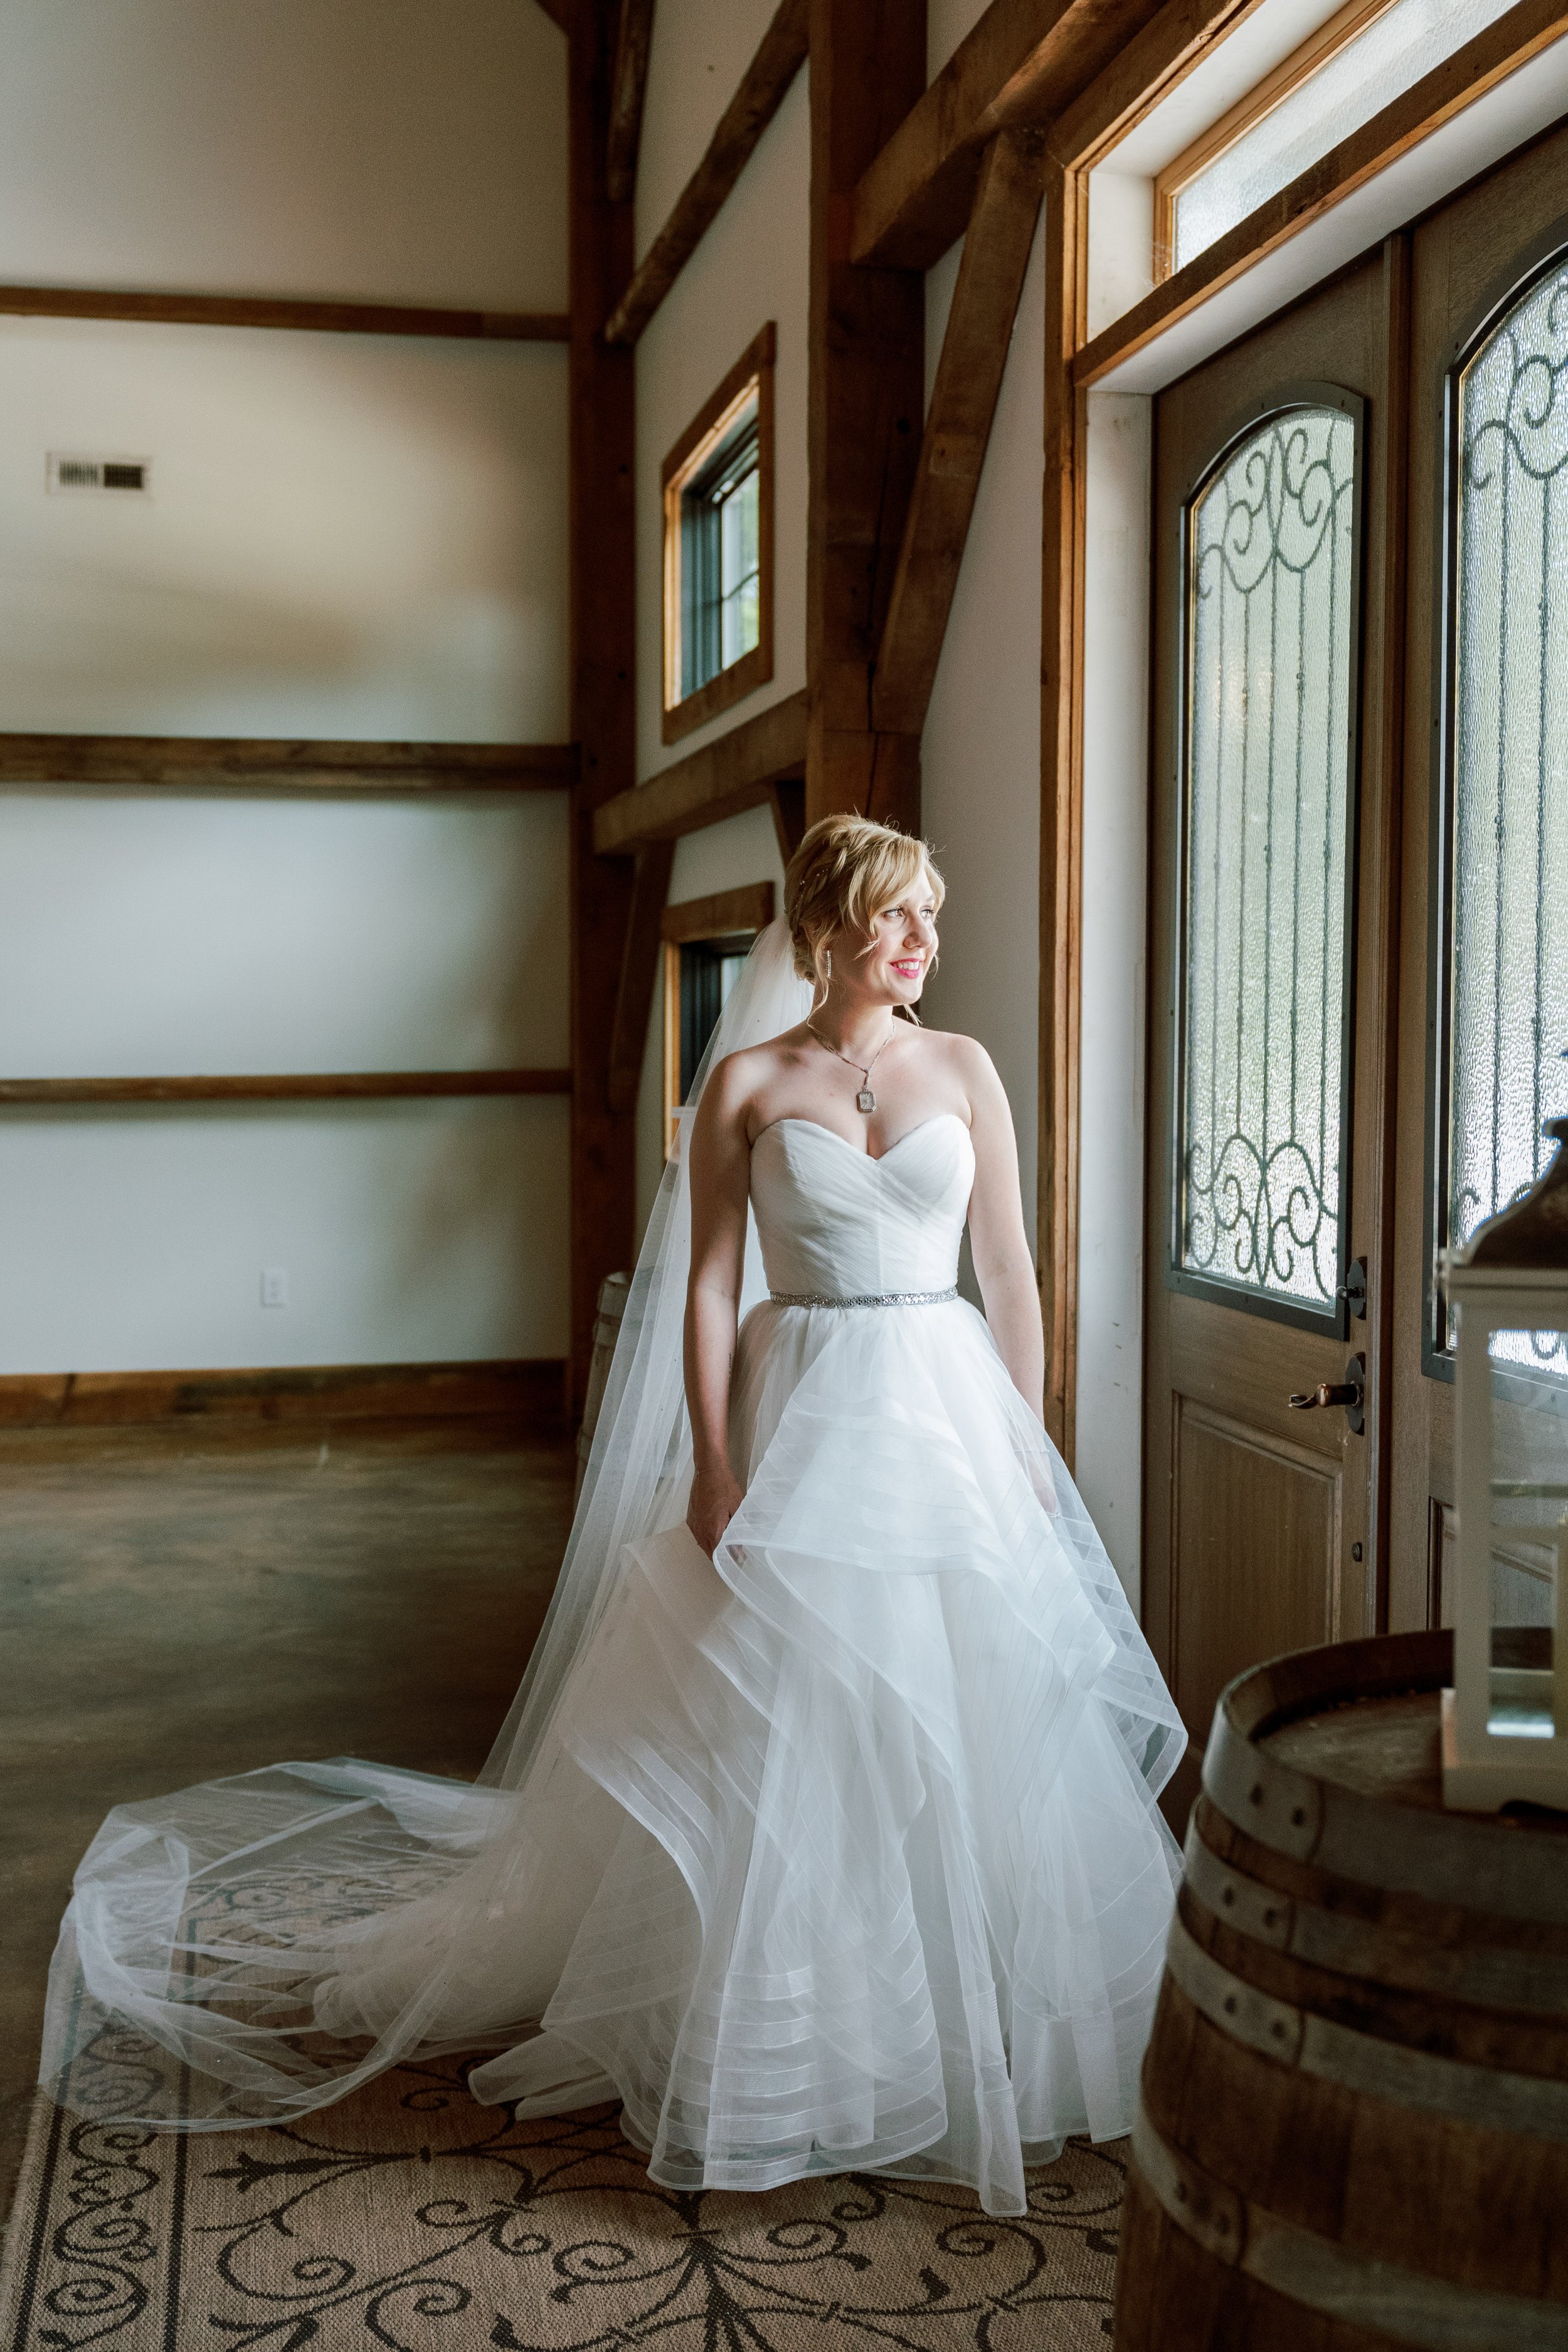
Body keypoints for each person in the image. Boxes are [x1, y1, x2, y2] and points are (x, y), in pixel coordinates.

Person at [40, 813, 1184, 2220]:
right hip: (805, 1404)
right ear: (825, 926)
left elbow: (1009, 1270)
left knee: (963, 1711)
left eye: (928, 919)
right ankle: (792, 2044)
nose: (921, 942)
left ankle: (976, 2026)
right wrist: (713, 1466)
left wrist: (1022, 1444)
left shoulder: (964, 1068)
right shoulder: (750, 1083)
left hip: (946, 1419)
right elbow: (707, 1289)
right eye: (897, 917)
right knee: (787, 1716)